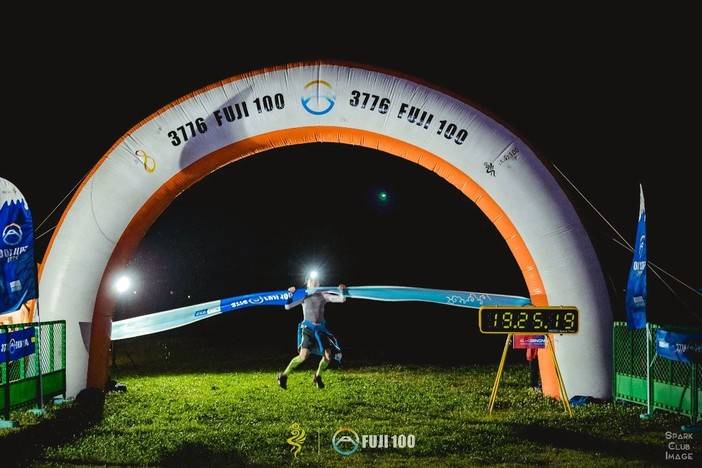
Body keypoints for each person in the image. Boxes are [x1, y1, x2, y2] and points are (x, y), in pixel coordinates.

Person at [277, 272, 346, 389]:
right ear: (307, 283)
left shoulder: (323, 295)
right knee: (303, 356)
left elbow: (342, 299)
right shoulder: (303, 295)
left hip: (321, 329)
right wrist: (290, 294)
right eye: (311, 280)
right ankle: (283, 376)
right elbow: (287, 307)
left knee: (328, 356)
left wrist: (341, 290)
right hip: (307, 328)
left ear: (319, 283)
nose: (314, 282)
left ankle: (317, 376)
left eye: (316, 280)